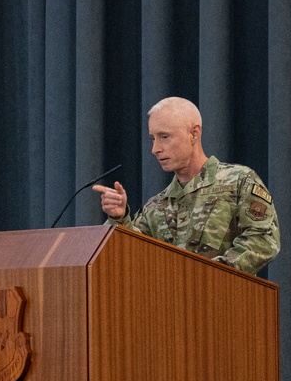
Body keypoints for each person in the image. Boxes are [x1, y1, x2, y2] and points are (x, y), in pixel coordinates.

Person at [93, 96, 280, 275]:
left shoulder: (239, 181)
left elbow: (263, 239)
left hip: (228, 301)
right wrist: (119, 218)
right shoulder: (156, 206)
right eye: (153, 138)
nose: (155, 149)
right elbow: (130, 256)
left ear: (194, 133)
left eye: (164, 137)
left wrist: (208, 276)